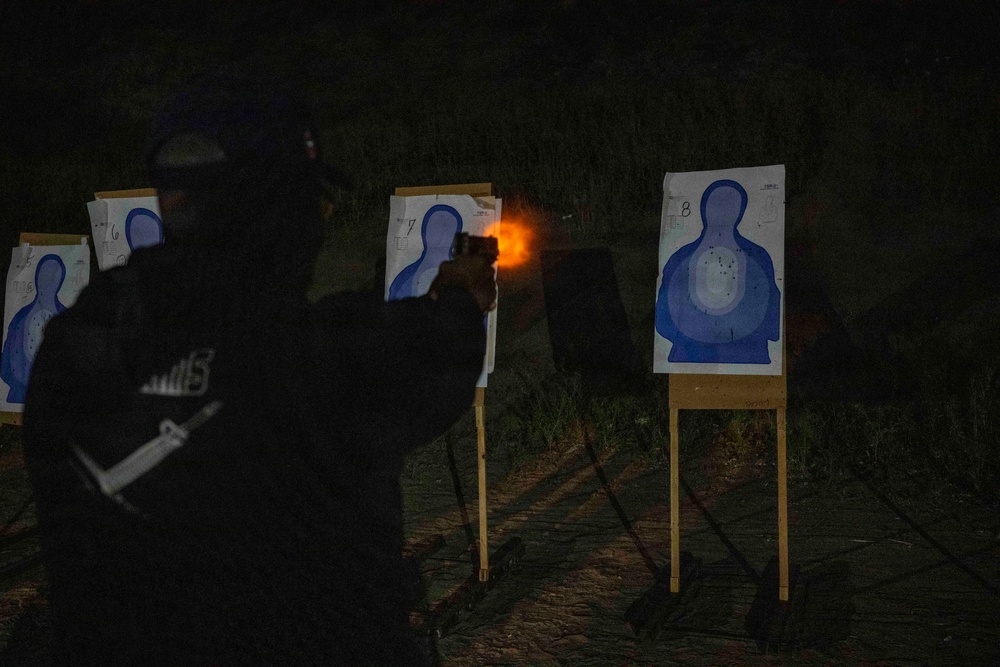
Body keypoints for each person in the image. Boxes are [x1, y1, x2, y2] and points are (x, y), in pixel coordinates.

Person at [21, 68, 496, 665]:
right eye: (314, 203)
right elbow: (437, 350)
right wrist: (463, 294)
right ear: (277, 203)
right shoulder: (323, 357)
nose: (316, 224)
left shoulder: (74, 343)